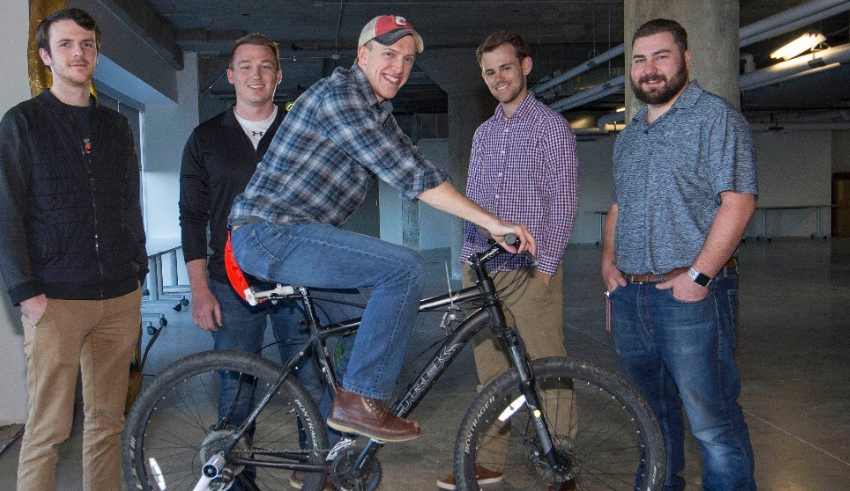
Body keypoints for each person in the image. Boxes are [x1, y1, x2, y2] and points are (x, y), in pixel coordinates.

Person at [228, 14, 535, 444]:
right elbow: (411, 175)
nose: (400, 66)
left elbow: (422, 165)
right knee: (404, 268)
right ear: (362, 54)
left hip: (292, 234)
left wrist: (484, 220)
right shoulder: (341, 97)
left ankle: (329, 457)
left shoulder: (376, 111)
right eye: (389, 53)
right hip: (271, 234)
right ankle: (362, 401)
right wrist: (490, 222)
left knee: (359, 330)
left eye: (408, 59)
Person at [0, 8, 146, 490]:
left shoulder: (116, 127)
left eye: (87, 44)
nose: (79, 53)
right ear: (45, 57)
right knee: (49, 429)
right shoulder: (22, 124)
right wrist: (25, 290)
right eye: (66, 45)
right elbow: (4, 215)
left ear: (96, 52)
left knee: (107, 423)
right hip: (54, 300)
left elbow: (128, 204)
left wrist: (137, 269)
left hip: (119, 298)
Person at [603, 18, 758, 491]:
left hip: (690, 295)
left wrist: (700, 276)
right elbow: (617, 206)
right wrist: (608, 265)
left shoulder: (715, 119)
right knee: (650, 415)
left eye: (661, 57)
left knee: (711, 420)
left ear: (686, 60)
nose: (650, 69)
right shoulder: (629, 135)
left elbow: (739, 200)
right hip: (633, 296)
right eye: (639, 60)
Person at [178, 33, 331, 490]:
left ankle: (314, 469)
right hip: (231, 282)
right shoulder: (205, 139)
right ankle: (236, 479)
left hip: (294, 276)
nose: (255, 75)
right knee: (236, 383)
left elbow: (323, 203)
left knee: (308, 377)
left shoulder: (301, 133)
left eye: (265, 66)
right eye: (245, 66)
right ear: (230, 76)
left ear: (279, 76)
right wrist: (200, 288)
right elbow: (192, 217)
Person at [438, 31, 578, 491]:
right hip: (481, 268)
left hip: (529, 271)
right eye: (490, 71)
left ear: (526, 66)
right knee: (491, 373)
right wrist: (466, 260)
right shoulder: (484, 132)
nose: (499, 77)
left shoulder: (550, 128)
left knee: (546, 367)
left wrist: (547, 268)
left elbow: (562, 204)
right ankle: (491, 459)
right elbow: (474, 202)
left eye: (506, 67)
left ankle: (557, 453)